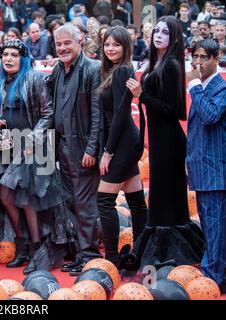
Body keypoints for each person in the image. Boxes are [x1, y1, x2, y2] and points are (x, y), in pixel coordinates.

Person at [0, 39, 73, 274]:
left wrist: (34, 139)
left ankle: (36, 250)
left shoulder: (34, 78)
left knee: (27, 199)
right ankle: (22, 245)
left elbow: (48, 113)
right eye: (5, 55)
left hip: (33, 146)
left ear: (23, 58)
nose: (8, 59)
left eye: (13, 55)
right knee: (5, 197)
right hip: (6, 145)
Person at [125, 16, 204, 270]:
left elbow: (172, 109)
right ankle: (159, 249)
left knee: (167, 197)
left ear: (174, 38)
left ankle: (170, 252)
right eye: (156, 30)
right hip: (159, 140)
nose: (158, 34)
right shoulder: (156, 62)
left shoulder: (171, 65)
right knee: (161, 197)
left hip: (169, 140)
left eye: (165, 32)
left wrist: (142, 95)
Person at [48, 25, 103, 274]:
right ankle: (81, 252)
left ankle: (90, 255)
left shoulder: (92, 69)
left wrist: (92, 149)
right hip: (63, 148)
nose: (62, 48)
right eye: (58, 44)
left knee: (85, 204)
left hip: (83, 150)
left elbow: (97, 115)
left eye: (67, 43)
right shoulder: (58, 70)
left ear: (79, 40)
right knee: (71, 202)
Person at [96, 26, 147, 268]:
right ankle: (139, 253)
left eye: (116, 45)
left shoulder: (122, 71)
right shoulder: (116, 71)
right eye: (107, 44)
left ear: (126, 47)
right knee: (136, 202)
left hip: (123, 142)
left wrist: (108, 152)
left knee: (104, 200)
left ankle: (113, 260)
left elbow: (119, 115)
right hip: (128, 140)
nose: (110, 49)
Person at [186, 39, 226, 294]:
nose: (198, 63)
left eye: (204, 58)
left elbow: (211, 116)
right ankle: (212, 274)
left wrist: (193, 86)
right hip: (203, 170)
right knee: (212, 228)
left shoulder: (220, 88)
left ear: (216, 58)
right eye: (195, 58)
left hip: (216, 173)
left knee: (215, 229)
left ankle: (213, 280)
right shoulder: (204, 87)